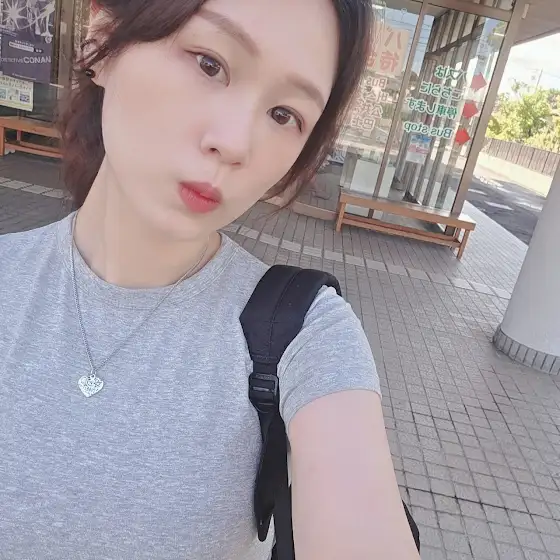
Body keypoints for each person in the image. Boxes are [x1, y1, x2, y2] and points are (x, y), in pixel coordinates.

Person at [0, 0, 420, 559]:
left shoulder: (300, 334)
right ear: (101, 38)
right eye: (209, 63)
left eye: (283, 114)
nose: (236, 143)